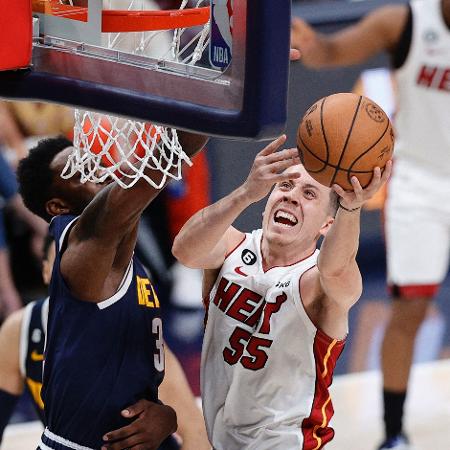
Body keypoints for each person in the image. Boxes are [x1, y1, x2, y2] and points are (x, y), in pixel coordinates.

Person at [291, 2, 450, 449]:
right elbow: (333, 50)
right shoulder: (406, 21)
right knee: (409, 313)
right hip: (422, 183)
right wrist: (311, 45)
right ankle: (394, 433)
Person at [172, 134, 391, 449]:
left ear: (327, 224)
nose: (291, 197)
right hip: (220, 437)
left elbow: (335, 268)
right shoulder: (231, 247)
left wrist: (352, 210)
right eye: (285, 186)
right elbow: (184, 250)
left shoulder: (318, 280)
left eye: (309, 194)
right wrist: (245, 193)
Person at [16, 131, 208, 450]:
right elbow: (167, 159)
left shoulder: (126, 258)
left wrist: (167, 415)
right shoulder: (84, 244)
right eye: (77, 171)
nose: (93, 169)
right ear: (58, 205)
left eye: (88, 161)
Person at [0, 235, 210, 450]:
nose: (79, 278)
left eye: (89, 267)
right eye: (66, 265)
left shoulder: (135, 337)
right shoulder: (22, 329)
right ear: (46, 271)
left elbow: (198, 436)